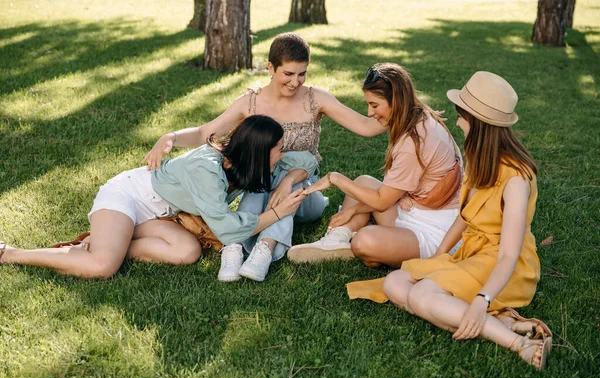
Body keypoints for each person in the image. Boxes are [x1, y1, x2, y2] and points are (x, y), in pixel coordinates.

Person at [143, 33, 386, 282]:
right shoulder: (250, 102)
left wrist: (409, 110)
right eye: (288, 74)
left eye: (302, 74)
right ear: (271, 68)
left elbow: (367, 127)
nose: (296, 82)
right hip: (262, 186)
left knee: (275, 176)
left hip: (302, 189)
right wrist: (171, 136)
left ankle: (261, 250)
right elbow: (206, 132)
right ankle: (236, 249)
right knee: (261, 178)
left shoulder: (315, 99)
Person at [0, 116, 314, 279]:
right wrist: (276, 213)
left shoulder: (246, 161)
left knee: (187, 252)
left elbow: (308, 161)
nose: (283, 153)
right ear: (258, 151)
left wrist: (286, 181)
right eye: (278, 149)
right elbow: (227, 230)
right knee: (102, 267)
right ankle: (12, 254)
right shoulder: (207, 167)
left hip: (160, 215)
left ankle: (109, 241)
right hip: (128, 197)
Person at [382, 71, 551, 370]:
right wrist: (436, 260)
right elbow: (463, 218)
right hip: (473, 253)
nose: (457, 122)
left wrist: (482, 299)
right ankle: (502, 322)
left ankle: (519, 343)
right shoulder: (478, 157)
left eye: (462, 114)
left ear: (479, 122)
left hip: (507, 266)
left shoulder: (516, 179)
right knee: (395, 282)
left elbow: (509, 254)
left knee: (421, 296)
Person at [287, 63, 462, 268]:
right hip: (413, 210)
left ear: (395, 101)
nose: (370, 113)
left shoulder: (415, 141)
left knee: (364, 242)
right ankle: (337, 240)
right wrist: (355, 209)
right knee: (362, 183)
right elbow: (390, 196)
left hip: (437, 232)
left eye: (375, 105)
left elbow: (381, 202)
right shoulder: (418, 118)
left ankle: (360, 243)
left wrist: (336, 179)